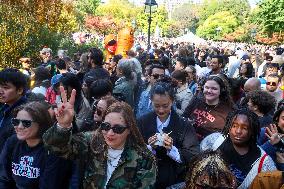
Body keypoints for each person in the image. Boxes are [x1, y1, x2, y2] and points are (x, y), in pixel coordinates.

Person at [43, 87, 156, 188]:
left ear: (129, 130)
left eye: (118, 129)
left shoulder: (143, 158)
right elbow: (55, 147)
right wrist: (63, 126)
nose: (110, 133)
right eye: (106, 126)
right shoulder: (91, 142)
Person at [137, 81, 200, 189]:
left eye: (165, 105)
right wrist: (149, 148)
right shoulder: (142, 121)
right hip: (145, 178)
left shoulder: (184, 125)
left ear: (172, 101)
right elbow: (133, 148)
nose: (161, 110)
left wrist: (172, 149)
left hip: (173, 178)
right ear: (150, 101)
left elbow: (193, 155)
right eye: (156, 105)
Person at [0, 101, 72, 189]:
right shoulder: (12, 142)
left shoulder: (53, 148)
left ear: (41, 124)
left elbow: (49, 185)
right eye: (15, 121)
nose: (19, 126)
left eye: (26, 123)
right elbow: (4, 178)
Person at [201, 108, 277, 188]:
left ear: (252, 131)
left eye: (244, 128)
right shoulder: (214, 141)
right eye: (234, 126)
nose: (238, 131)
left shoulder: (264, 163)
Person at [183, 74, 233, 141]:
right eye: (207, 87)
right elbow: (184, 117)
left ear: (221, 90)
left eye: (214, 89)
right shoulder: (197, 101)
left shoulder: (228, 111)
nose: (209, 91)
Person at [0, 69, 28, 151]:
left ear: (19, 90)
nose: (0, 91)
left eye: (5, 88)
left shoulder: (25, 113)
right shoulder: (5, 108)